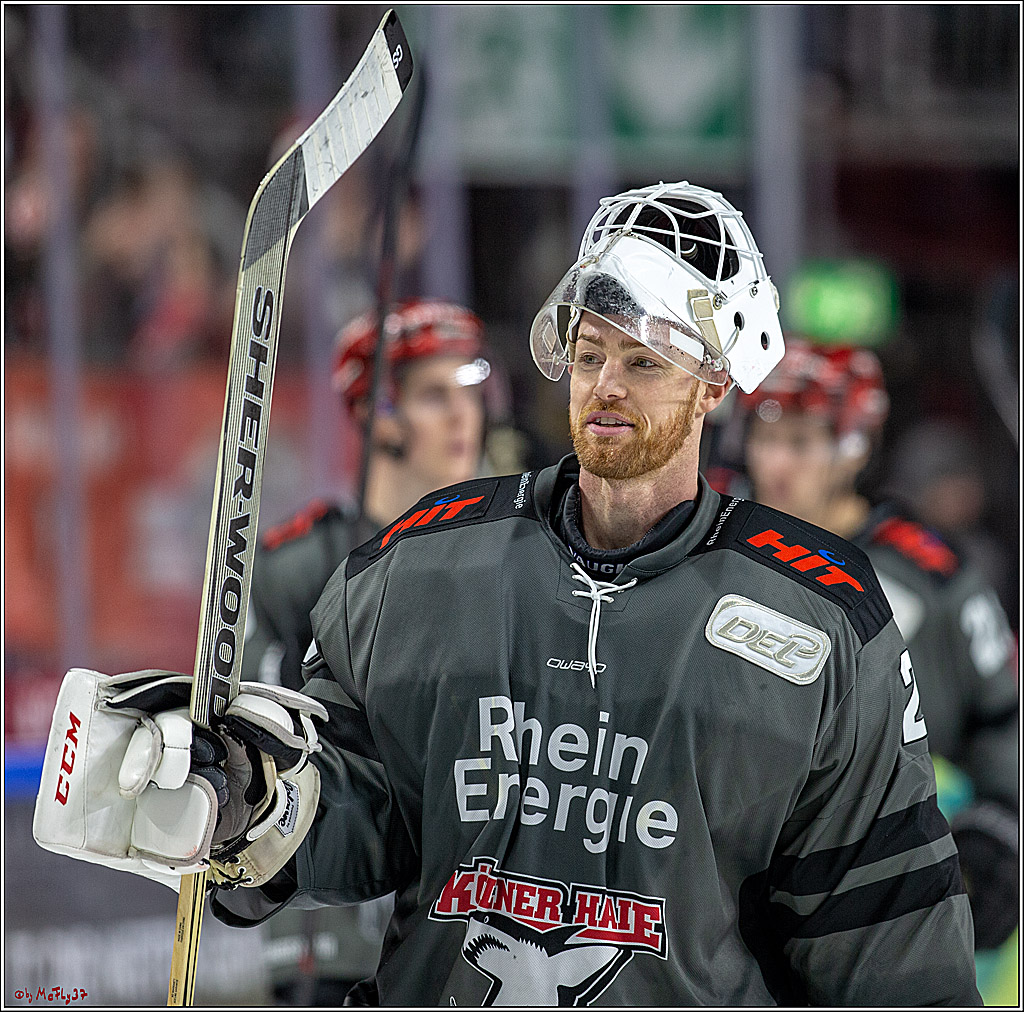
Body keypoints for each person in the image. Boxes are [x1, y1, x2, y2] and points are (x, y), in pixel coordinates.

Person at [34, 182, 981, 1006]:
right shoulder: (423, 561)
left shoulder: (821, 617)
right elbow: (363, 806)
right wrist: (255, 798)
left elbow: (887, 938)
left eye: (646, 363)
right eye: (591, 351)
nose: (606, 384)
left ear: (715, 387)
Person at [733, 337, 1018, 986]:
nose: (776, 462)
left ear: (853, 445)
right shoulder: (719, 554)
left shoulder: (931, 572)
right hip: (744, 879)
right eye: (765, 436)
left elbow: (1003, 715)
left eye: (802, 441)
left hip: (893, 877)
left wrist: (1003, 826)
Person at [242, 297, 494, 1003]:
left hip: (469, 930)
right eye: (434, 395)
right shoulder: (300, 570)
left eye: (470, 389)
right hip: (332, 929)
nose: (461, 416)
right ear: (378, 413)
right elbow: (260, 744)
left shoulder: (514, 566)